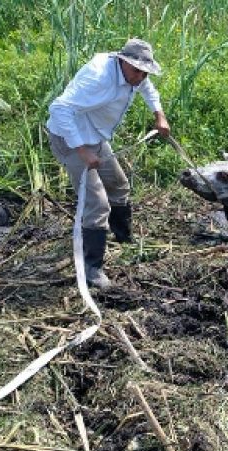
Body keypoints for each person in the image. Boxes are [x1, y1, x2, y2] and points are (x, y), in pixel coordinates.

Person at [45, 38, 171, 289]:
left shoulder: (135, 75)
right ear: (122, 62)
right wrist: (82, 151)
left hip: (95, 136)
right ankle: (92, 269)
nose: (141, 77)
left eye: (145, 72)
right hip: (70, 139)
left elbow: (148, 89)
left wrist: (159, 115)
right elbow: (59, 108)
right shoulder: (98, 78)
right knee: (97, 204)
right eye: (137, 71)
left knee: (119, 186)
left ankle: (124, 239)